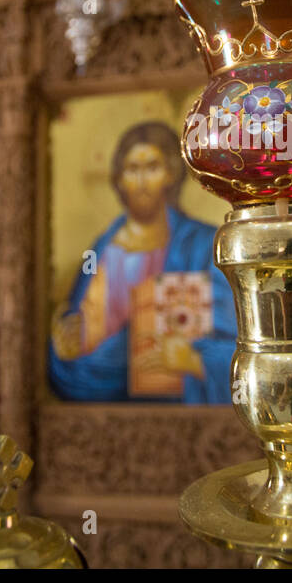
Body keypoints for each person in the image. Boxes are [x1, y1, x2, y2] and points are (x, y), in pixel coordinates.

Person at [49, 121, 236, 402]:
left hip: (179, 411)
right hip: (101, 403)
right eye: (131, 169)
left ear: (171, 174)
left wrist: (194, 360)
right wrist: (68, 344)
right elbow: (78, 325)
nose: (141, 182)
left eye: (152, 167)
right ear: (118, 178)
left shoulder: (202, 246)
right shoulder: (99, 250)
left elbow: (237, 344)